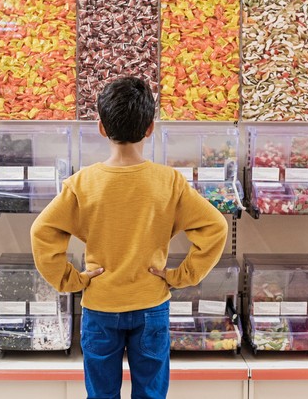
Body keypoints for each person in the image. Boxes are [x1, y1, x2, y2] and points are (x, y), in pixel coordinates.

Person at [30, 76, 228, 399]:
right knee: (150, 394)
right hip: (152, 305)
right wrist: (180, 276)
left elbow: (42, 232)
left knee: (101, 395)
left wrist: (71, 279)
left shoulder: (82, 183)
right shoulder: (169, 182)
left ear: (101, 128)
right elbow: (215, 228)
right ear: (150, 128)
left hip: (99, 304)